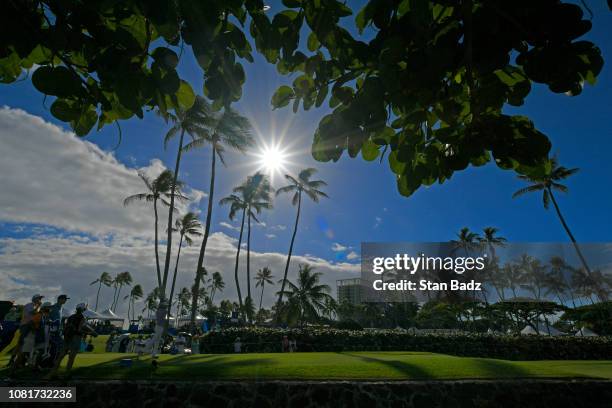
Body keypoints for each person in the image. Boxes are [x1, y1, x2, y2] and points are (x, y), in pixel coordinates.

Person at [51, 303, 97, 378]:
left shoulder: (71, 317)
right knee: (71, 357)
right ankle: (67, 374)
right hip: (75, 338)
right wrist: (90, 333)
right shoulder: (82, 317)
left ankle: (53, 372)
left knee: (61, 356)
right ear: (83, 309)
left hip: (67, 337)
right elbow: (79, 330)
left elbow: (66, 327)